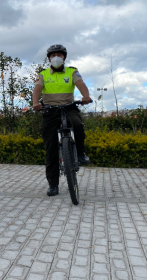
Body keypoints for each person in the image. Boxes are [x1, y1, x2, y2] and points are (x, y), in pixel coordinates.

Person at [32, 44, 92, 197]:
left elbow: (81, 84)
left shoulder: (72, 71)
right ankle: (53, 184)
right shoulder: (43, 74)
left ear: (64, 57)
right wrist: (35, 103)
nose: (56, 57)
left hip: (69, 107)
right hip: (50, 111)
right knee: (51, 147)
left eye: (59, 54)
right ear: (49, 59)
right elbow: (37, 89)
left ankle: (80, 153)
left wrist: (85, 96)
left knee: (77, 124)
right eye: (53, 55)